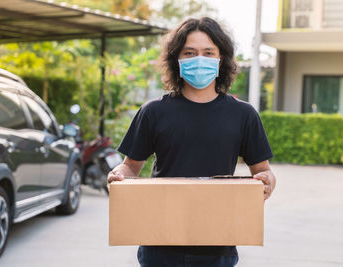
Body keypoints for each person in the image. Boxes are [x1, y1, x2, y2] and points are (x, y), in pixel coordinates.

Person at [107, 17, 276, 267]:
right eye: (190, 52)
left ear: (221, 60)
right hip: (160, 242)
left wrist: (267, 181)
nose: (200, 59)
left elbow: (263, 171)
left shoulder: (243, 114)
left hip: (218, 243)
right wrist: (118, 174)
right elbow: (130, 166)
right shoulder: (153, 112)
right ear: (177, 59)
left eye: (208, 52)